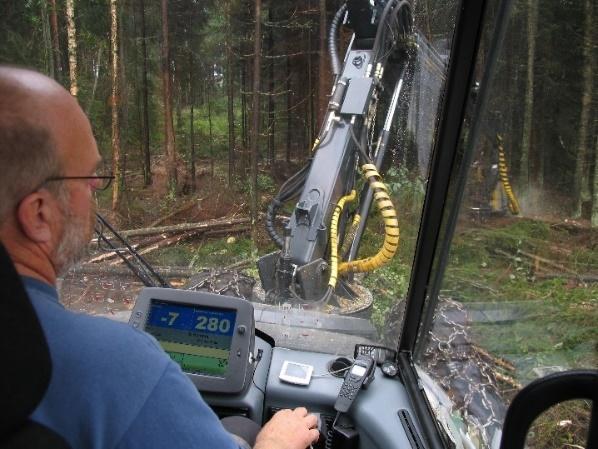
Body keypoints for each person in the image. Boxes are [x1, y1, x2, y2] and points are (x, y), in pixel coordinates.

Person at [0, 66, 320, 449]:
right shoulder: (116, 367)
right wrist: (275, 444)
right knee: (246, 430)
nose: (96, 193)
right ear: (38, 214)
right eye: (88, 179)